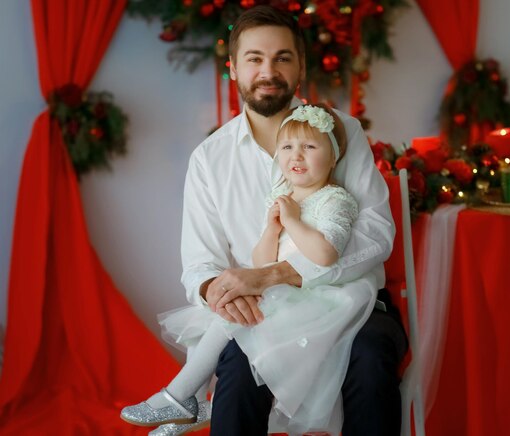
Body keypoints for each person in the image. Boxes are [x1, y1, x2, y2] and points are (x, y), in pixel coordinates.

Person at [138, 5, 405, 436]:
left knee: (373, 359)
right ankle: (184, 398)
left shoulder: (343, 132)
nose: (269, 70)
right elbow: (199, 265)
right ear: (233, 69)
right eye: (255, 59)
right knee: (238, 374)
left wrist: (276, 274)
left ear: (300, 66)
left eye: (282, 57)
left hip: (355, 304)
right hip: (263, 313)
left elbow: (376, 236)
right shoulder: (210, 159)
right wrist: (223, 292)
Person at [121, 104, 379, 434]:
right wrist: (272, 229)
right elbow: (261, 260)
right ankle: (187, 401)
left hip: (319, 295)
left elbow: (325, 254)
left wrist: (291, 222)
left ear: (333, 157)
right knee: (222, 309)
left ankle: (181, 396)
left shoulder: (335, 199)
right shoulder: (283, 196)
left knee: (232, 318)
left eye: (310, 147)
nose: (296, 156)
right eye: (287, 147)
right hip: (283, 289)